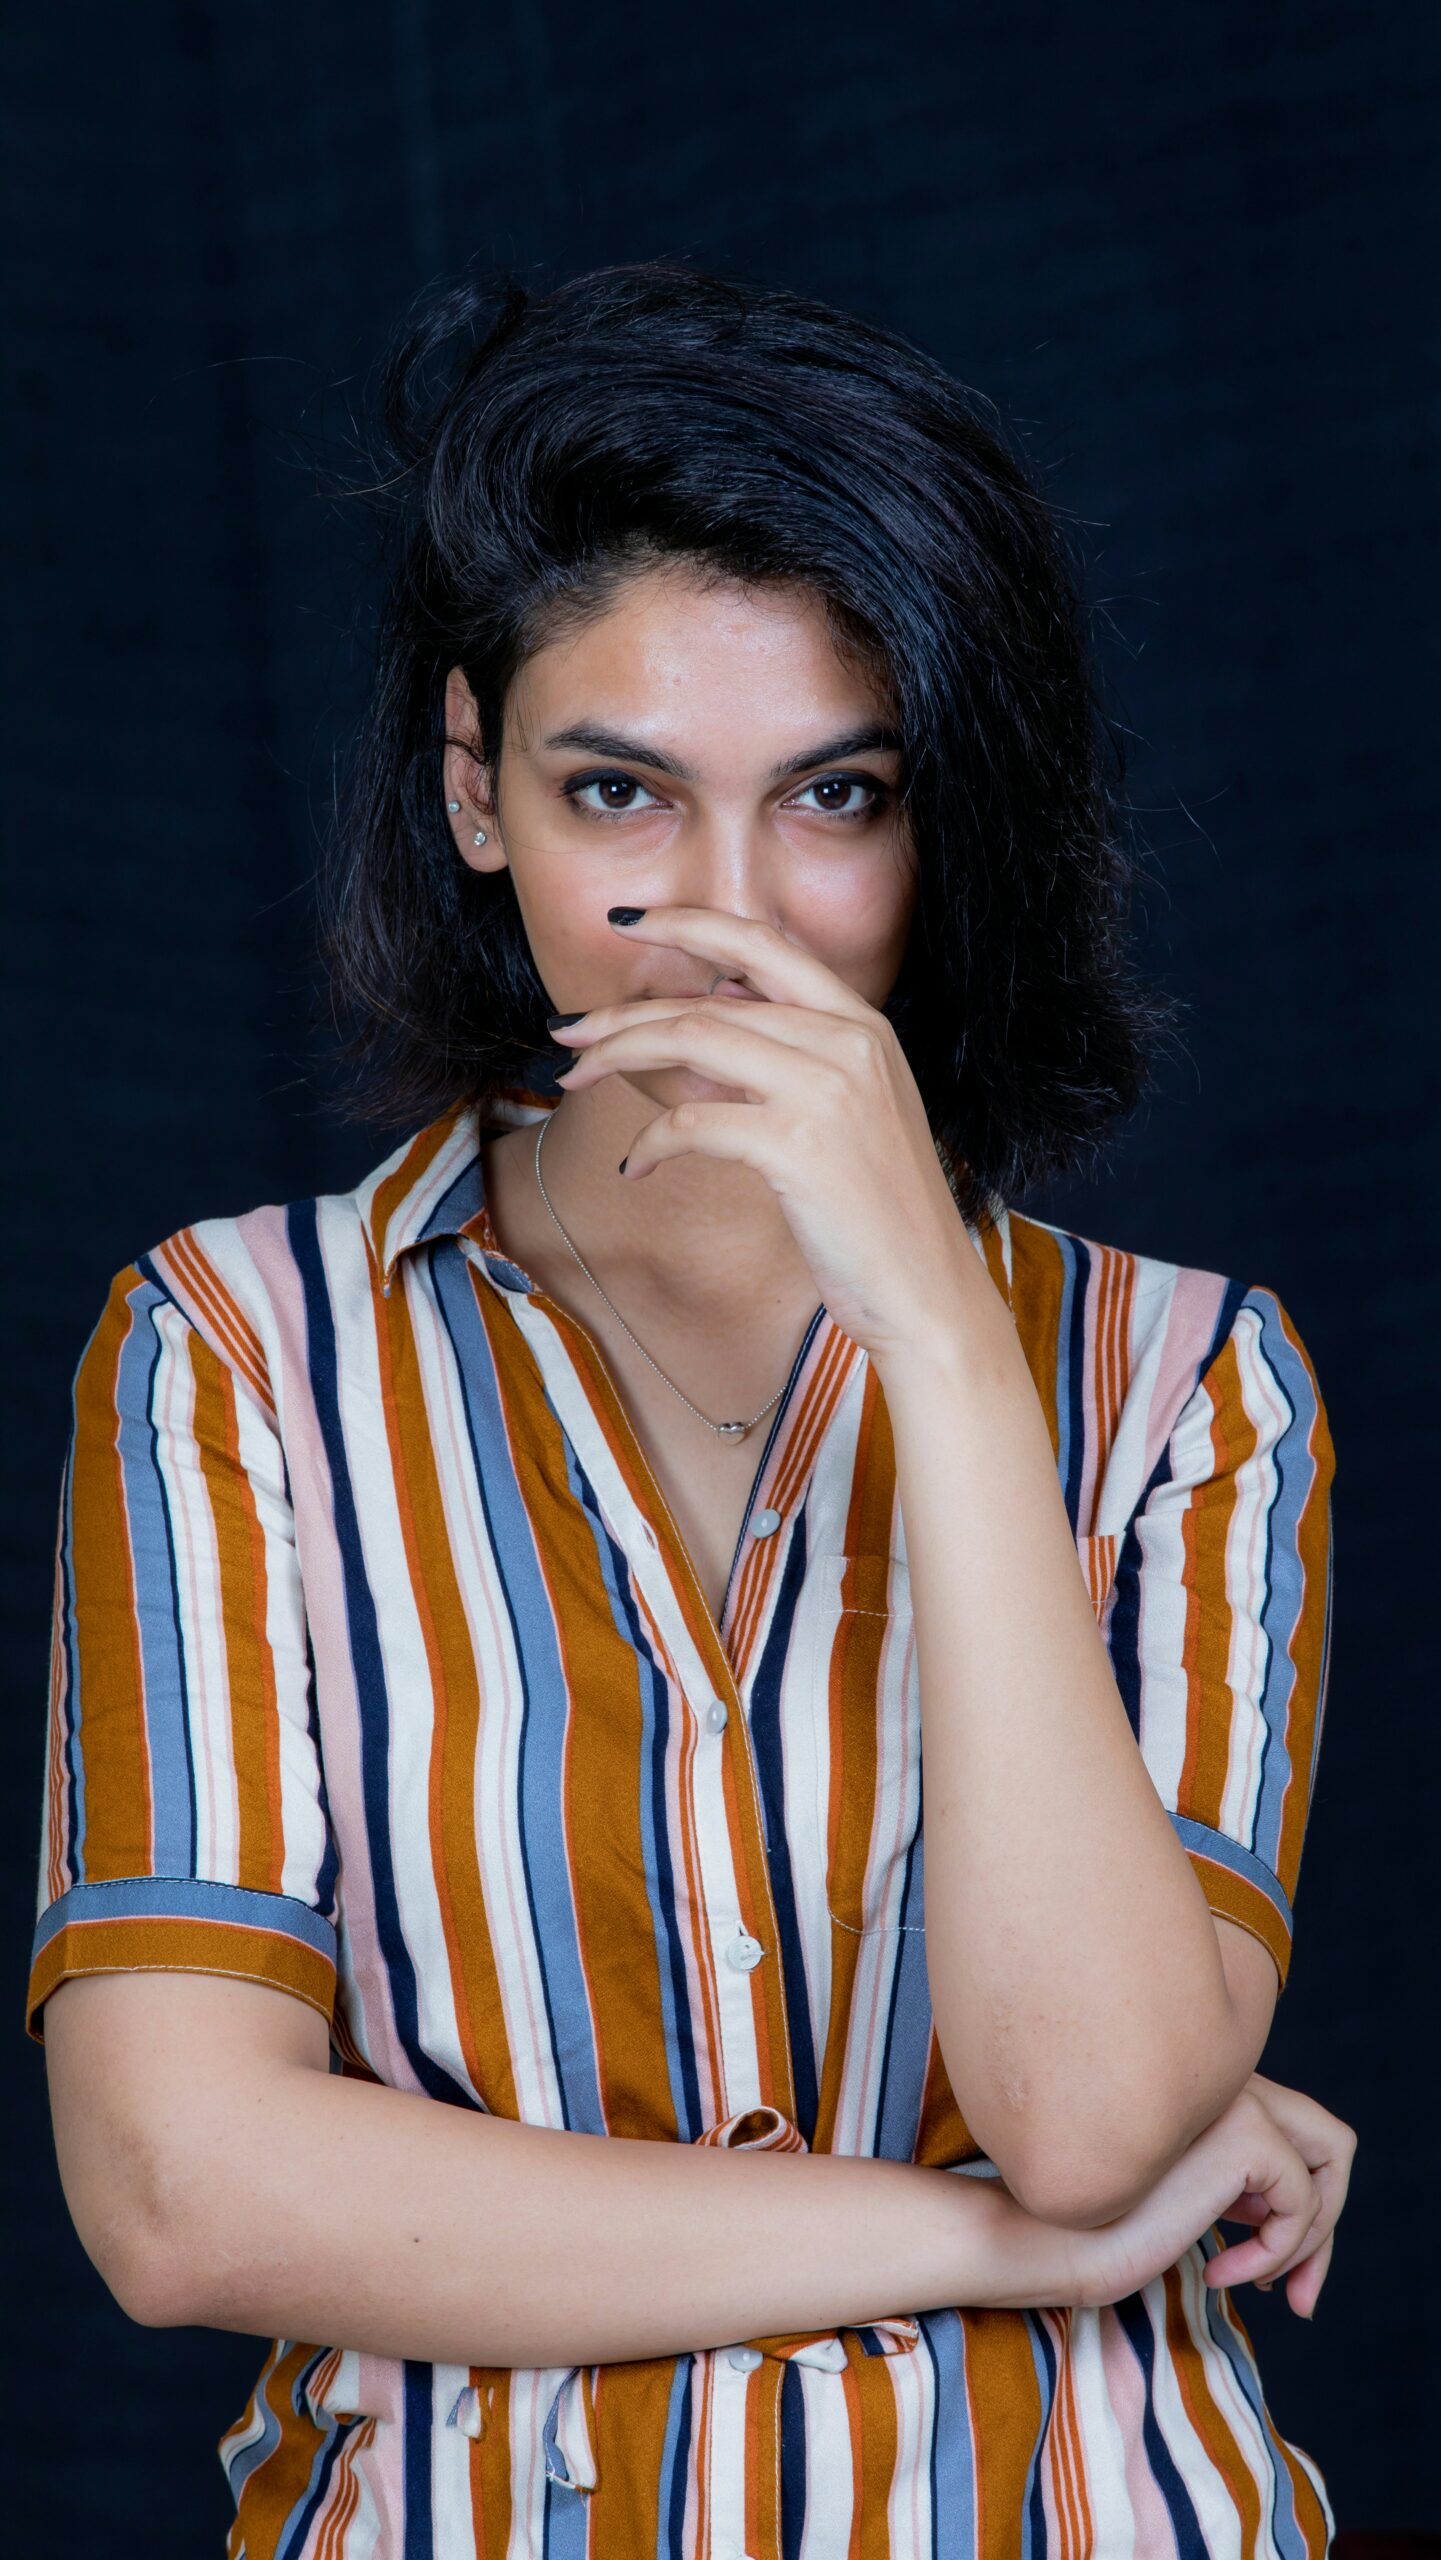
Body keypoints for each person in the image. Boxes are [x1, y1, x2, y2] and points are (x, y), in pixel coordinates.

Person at [28, 263, 1352, 2558]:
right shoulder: (232, 1351)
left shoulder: (1183, 1390)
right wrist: (989, 2245)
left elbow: (1089, 2116)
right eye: (616, 790)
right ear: (475, 786)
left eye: (834, 795)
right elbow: (178, 2188)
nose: (729, 921)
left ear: (945, 819)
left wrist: (941, 1340)